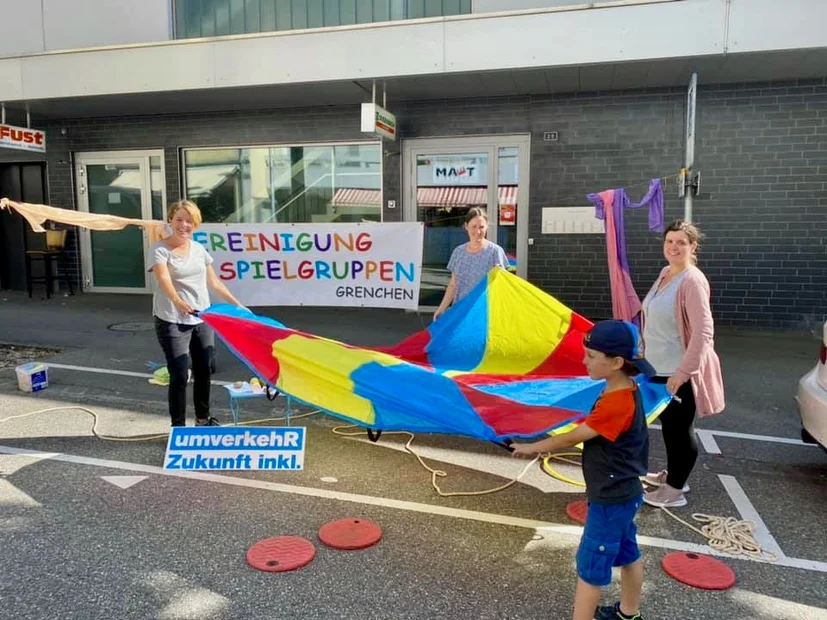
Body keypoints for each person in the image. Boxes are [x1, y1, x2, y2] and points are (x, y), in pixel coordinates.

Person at [512, 320, 653, 620]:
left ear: (616, 362)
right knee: (629, 553)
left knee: (590, 567)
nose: (583, 360)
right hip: (625, 494)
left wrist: (533, 446)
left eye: (590, 355)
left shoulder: (617, 403)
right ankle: (629, 614)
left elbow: (573, 437)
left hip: (611, 498)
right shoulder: (626, 387)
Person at [640, 219, 725, 509]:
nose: (674, 247)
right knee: (668, 427)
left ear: (692, 247)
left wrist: (683, 373)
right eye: (669, 242)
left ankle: (675, 489)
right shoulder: (666, 273)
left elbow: (703, 332)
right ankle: (673, 476)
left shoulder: (692, 280)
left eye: (681, 243)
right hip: (657, 367)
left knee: (680, 429)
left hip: (678, 371)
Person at [150, 200, 244, 427]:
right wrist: (178, 301)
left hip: (202, 318)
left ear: (196, 224)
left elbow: (214, 282)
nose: (184, 225)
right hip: (172, 319)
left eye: (189, 221)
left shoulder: (199, 249)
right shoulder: (160, 249)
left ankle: (202, 418)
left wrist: (238, 305)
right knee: (180, 374)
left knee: (204, 370)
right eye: (179, 219)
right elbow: (163, 280)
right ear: (171, 220)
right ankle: (178, 426)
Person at [433, 207, 510, 320]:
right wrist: (442, 308)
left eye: (481, 227)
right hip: (460, 312)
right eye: (474, 227)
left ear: (487, 227)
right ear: (466, 226)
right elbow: (453, 285)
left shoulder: (495, 252)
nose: (478, 231)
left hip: (484, 313)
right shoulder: (458, 252)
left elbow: (501, 286)